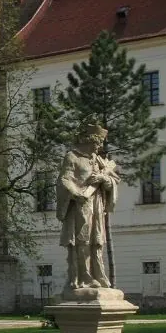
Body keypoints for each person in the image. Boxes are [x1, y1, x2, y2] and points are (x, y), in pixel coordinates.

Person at [57, 124, 119, 290]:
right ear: (88, 140)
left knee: (97, 240)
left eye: (100, 144)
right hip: (80, 204)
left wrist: (103, 179)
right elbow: (64, 179)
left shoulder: (98, 160)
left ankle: (99, 273)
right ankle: (84, 276)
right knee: (82, 240)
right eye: (97, 143)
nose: (99, 147)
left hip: (97, 203)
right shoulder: (73, 157)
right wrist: (76, 193)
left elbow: (112, 181)